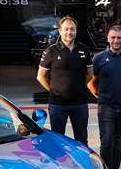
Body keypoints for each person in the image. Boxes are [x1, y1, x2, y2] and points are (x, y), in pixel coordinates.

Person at [87, 25, 121, 169]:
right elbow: (91, 82)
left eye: (119, 37)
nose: (116, 40)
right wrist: (100, 96)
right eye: (113, 37)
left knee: (119, 141)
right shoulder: (99, 58)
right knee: (107, 141)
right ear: (108, 38)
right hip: (106, 107)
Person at [37, 16, 93, 144]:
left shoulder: (84, 50)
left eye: (72, 29)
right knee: (57, 141)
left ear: (76, 31)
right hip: (58, 105)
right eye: (66, 29)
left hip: (80, 103)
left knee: (82, 140)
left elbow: (90, 74)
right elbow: (40, 76)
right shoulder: (51, 51)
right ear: (60, 31)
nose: (69, 32)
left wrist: (79, 86)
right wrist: (53, 90)